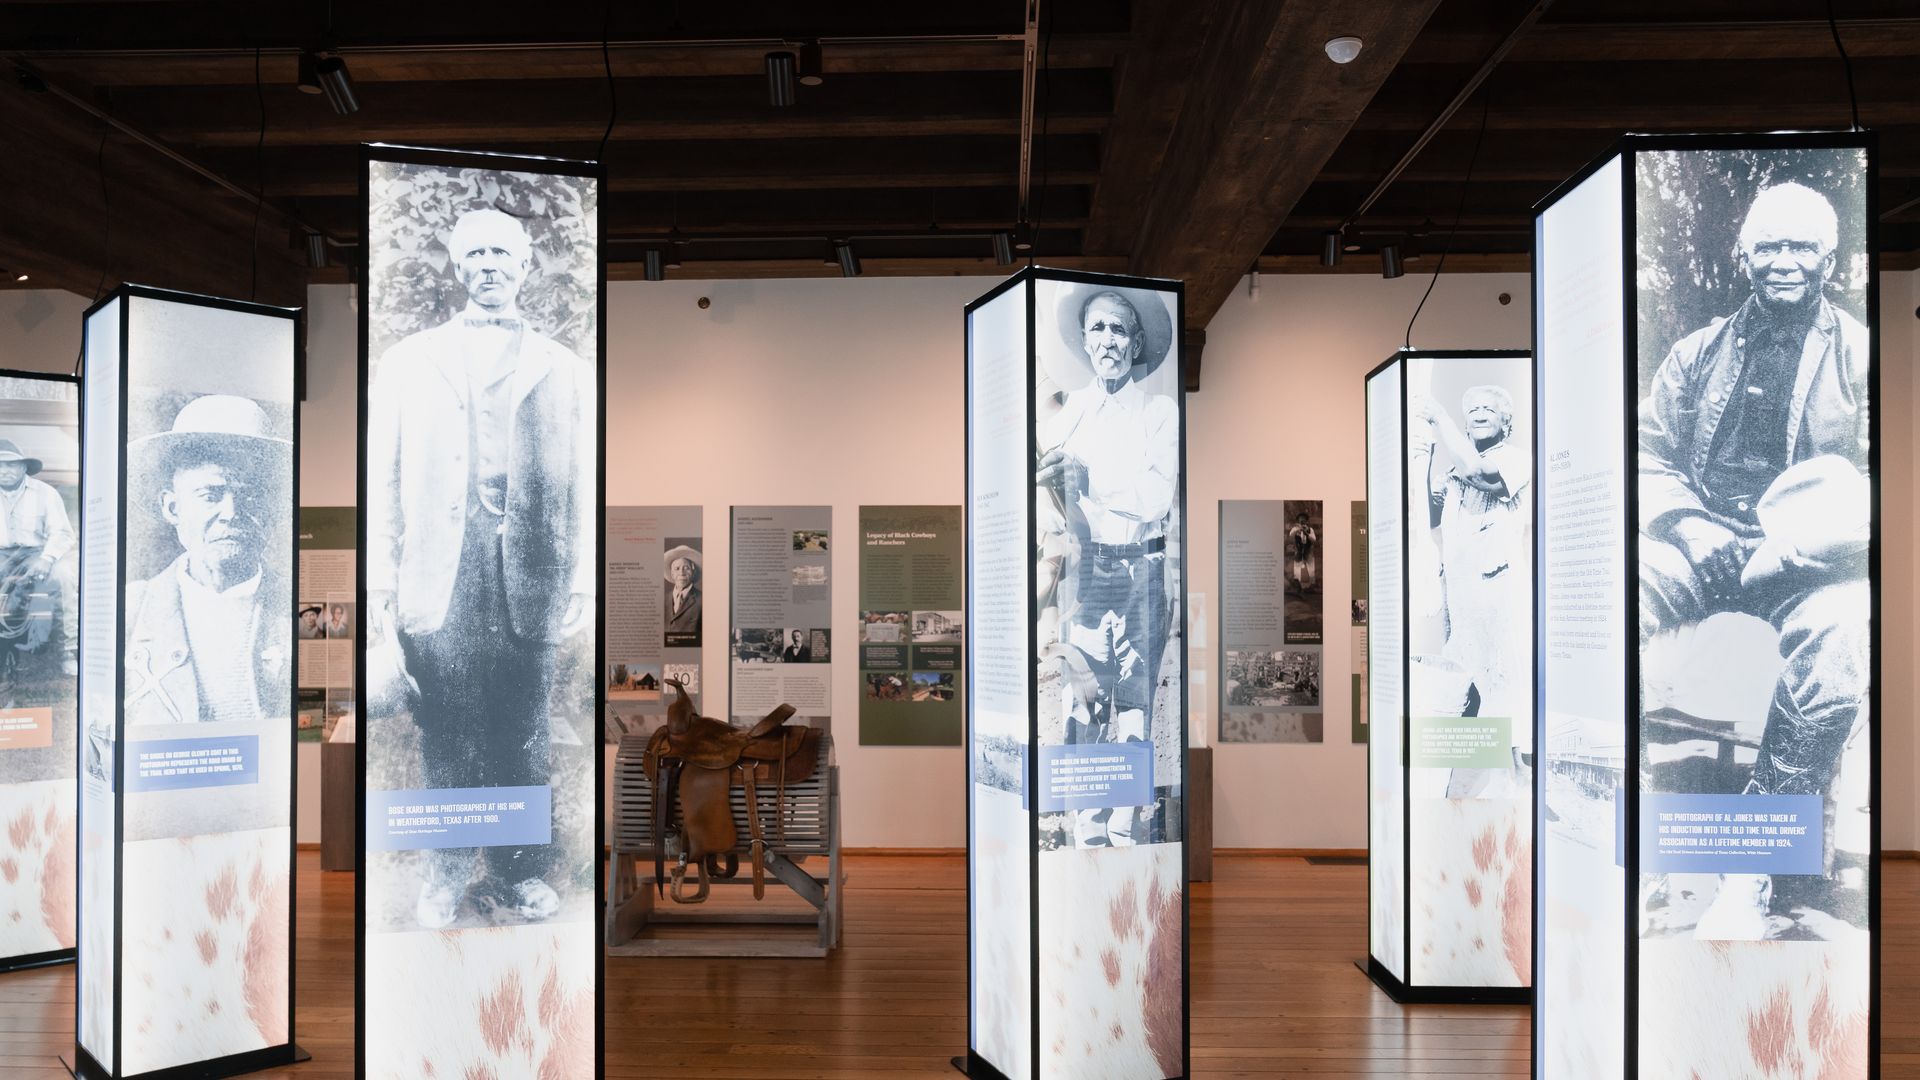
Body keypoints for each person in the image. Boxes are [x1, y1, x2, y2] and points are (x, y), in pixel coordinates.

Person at [1638, 181, 1869, 937]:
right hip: (1704, 543)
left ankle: (1751, 870)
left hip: (1806, 564)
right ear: (1743, 257)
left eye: (1801, 246)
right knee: (1613, 597)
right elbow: (1645, 451)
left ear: (1828, 258)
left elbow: (1879, 486)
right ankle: (1628, 844)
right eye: (1768, 246)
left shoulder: (1862, 355)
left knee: (1843, 634)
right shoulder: (1694, 353)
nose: (1784, 261)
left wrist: (1791, 550)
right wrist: (1687, 526)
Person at [367, 206, 594, 929]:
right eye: (475, 255)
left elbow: (585, 480)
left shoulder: (565, 368)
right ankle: (444, 876)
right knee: (449, 730)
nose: (489, 266)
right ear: (458, 266)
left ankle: (520, 873)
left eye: (501, 253)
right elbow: (383, 478)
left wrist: (583, 577)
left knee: (522, 731)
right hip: (441, 573)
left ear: (524, 265)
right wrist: (380, 582)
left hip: (530, 572)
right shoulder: (409, 361)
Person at [1035, 284, 1177, 848]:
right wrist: (1056, 493)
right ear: (1084, 339)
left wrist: (1090, 482)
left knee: (1136, 704)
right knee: (1084, 699)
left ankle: (1125, 832)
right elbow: (1049, 504)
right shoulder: (1068, 414)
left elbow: (1155, 497)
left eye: (1120, 329)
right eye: (1098, 328)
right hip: (1087, 573)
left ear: (1136, 343)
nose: (1109, 340)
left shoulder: (1157, 412)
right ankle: (1087, 835)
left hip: (1142, 571)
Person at [123, 396, 290, 726]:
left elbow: (327, 727)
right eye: (210, 495)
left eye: (250, 497)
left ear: (272, 510)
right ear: (172, 508)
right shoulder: (132, 610)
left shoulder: (308, 612)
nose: (231, 513)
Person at [0, 439, 77, 672]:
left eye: (11, 465)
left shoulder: (45, 493)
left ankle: (68, 650)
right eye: (0, 465)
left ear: (24, 467)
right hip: (2, 555)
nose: (4, 470)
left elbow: (62, 533)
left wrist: (47, 558)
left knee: (63, 577)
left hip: (36, 553)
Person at [663, 545, 701, 646]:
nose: (681, 573)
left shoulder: (703, 600)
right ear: (672, 574)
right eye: (677, 568)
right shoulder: (662, 599)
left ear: (693, 572)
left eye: (686, 568)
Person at [1286, 511, 1318, 593]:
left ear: (1307, 521)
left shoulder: (1310, 529)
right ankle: (1298, 586)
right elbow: (1291, 535)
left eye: (1304, 520)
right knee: (1297, 567)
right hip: (1298, 550)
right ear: (1298, 521)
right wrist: (1298, 529)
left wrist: (1306, 532)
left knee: (1311, 567)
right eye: (1300, 520)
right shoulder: (1295, 528)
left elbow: (1314, 540)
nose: (1302, 521)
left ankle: (1311, 587)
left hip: (1308, 550)